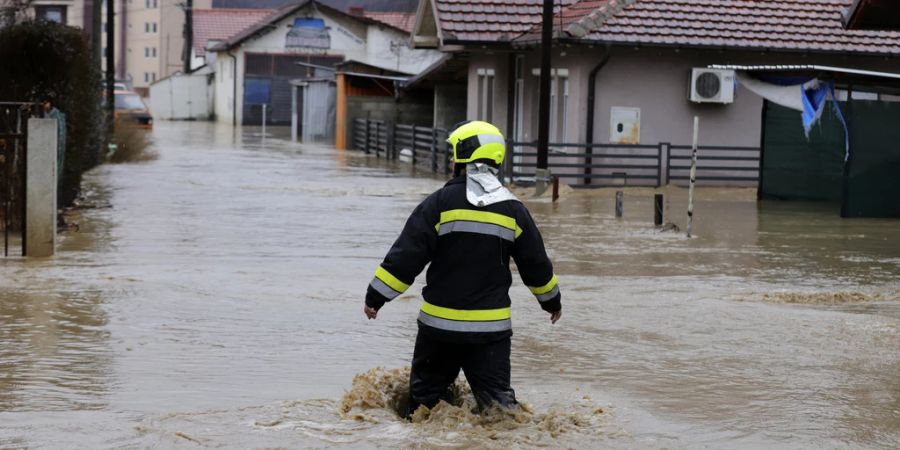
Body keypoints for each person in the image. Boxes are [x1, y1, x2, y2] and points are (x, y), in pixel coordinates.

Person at [363, 120, 562, 417]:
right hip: (490, 334)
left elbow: (406, 257)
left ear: (465, 155)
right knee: (499, 412)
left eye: (454, 153)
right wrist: (552, 303)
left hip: (438, 331)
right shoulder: (514, 209)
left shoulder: (438, 204)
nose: (451, 160)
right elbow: (536, 265)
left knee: (425, 410)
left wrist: (375, 297)